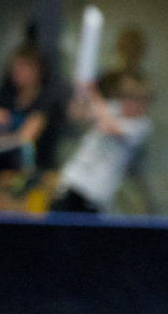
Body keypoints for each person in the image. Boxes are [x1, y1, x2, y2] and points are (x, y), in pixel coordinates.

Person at [47, 75, 153, 214]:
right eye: (129, 99)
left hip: (95, 193)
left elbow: (109, 127)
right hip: (72, 181)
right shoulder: (111, 108)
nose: (133, 106)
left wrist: (92, 93)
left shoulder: (140, 126)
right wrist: (80, 95)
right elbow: (77, 114)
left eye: (138, 102)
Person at [0, 41, 70, 182]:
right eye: (15, 67)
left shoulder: (46, 99)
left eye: (24, 67)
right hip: (5, 166)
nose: (17, 72)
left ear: (37, 70)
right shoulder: (6, 94)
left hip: (35, 170)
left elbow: (27, 137)